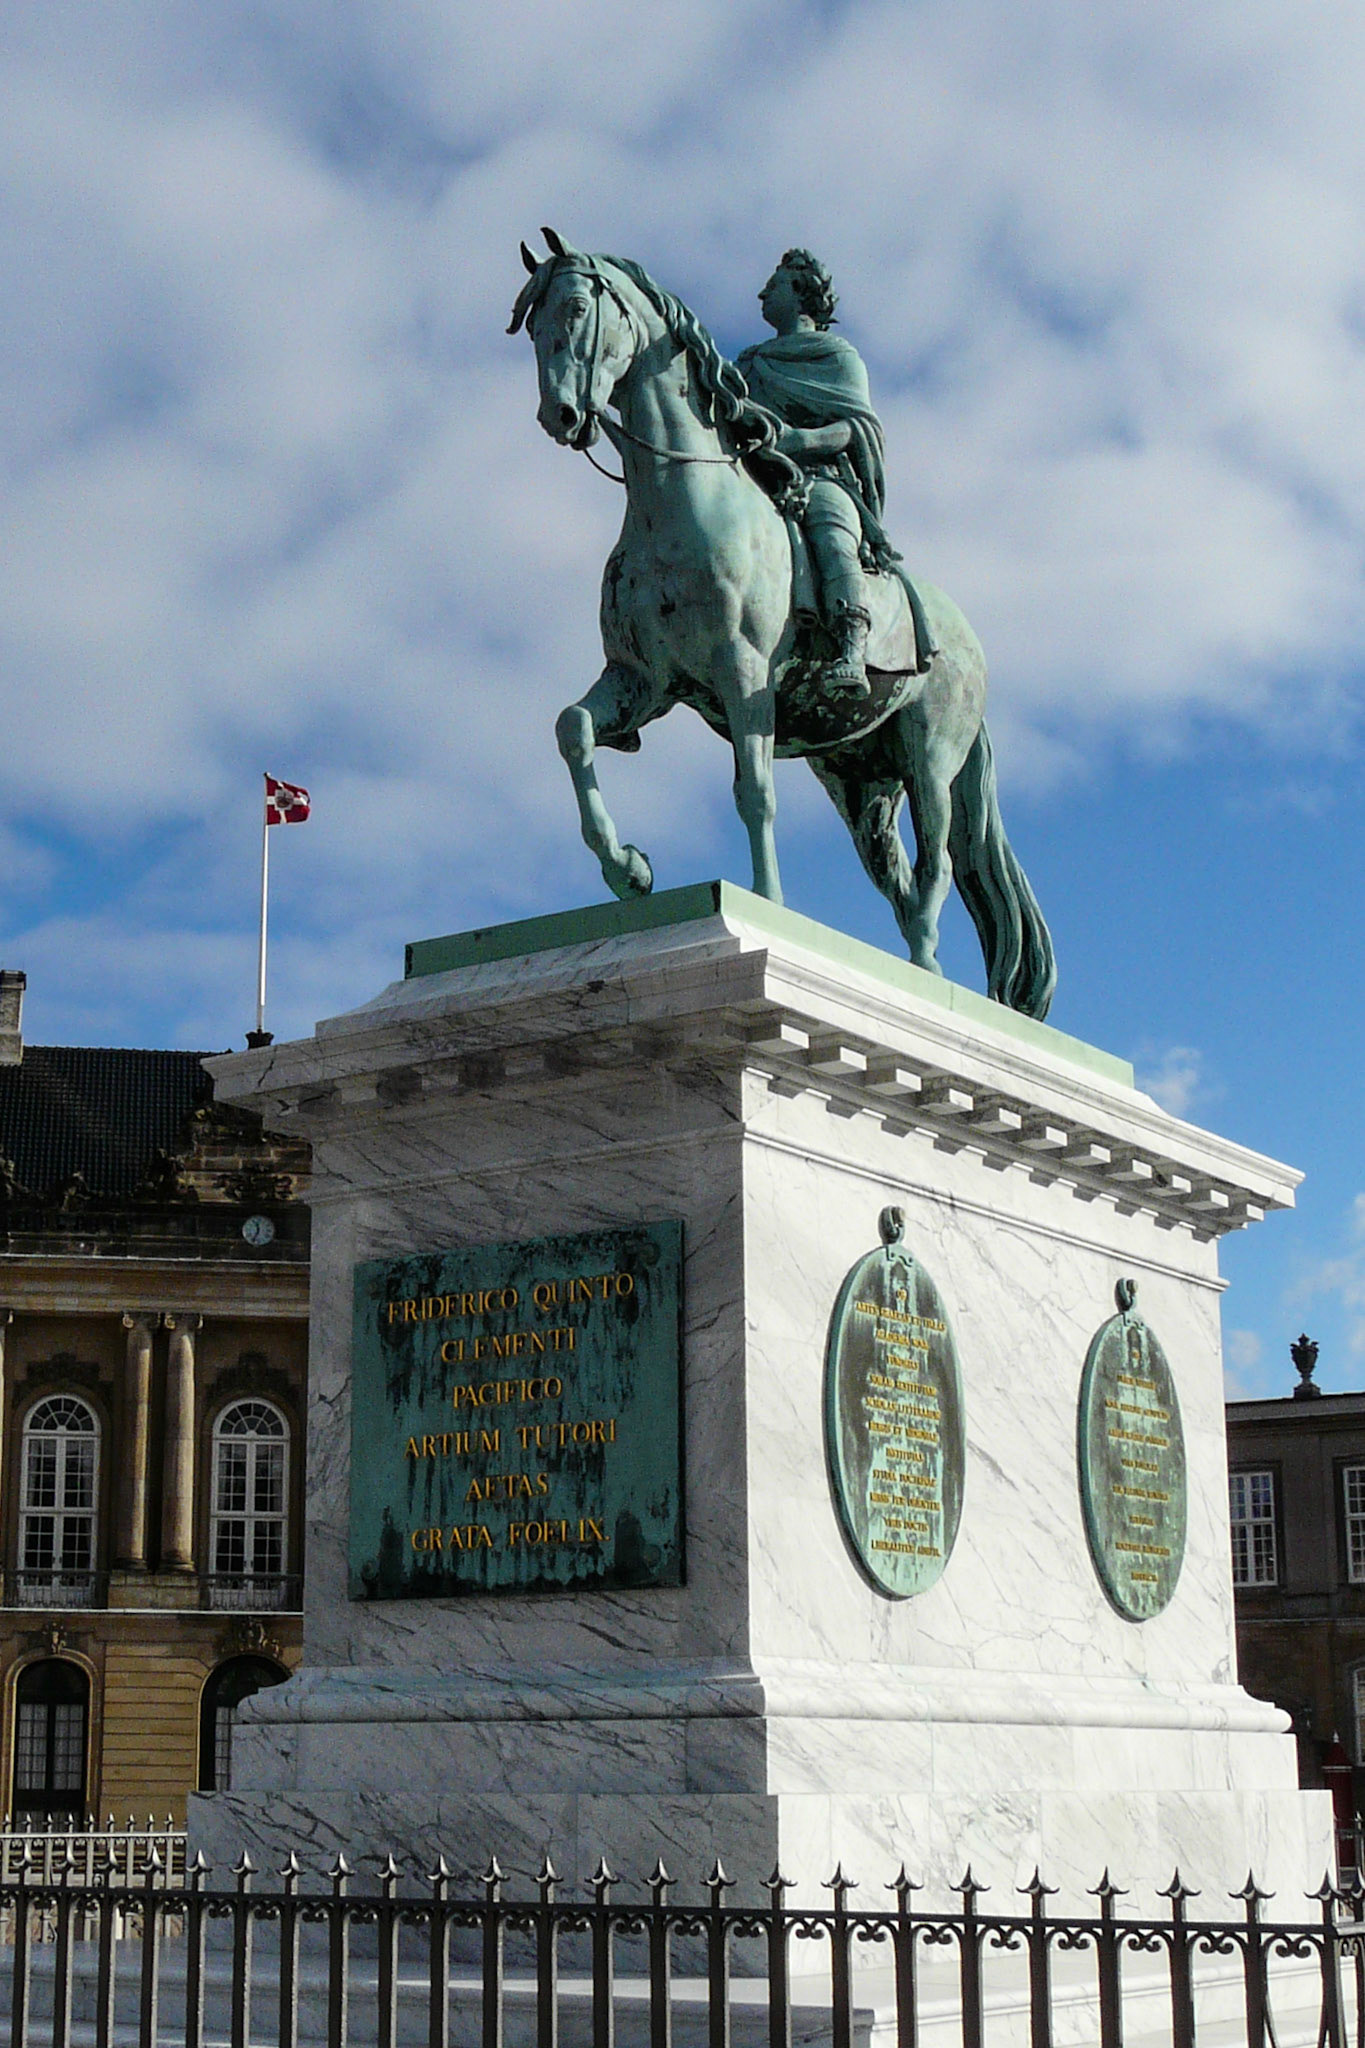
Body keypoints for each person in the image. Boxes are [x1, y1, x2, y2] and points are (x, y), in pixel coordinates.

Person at [736, 249, 934, 695]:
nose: (763, 293)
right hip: (754, 474)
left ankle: (850, 645)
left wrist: (802, 441)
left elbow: (858, 428)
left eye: (775, 285)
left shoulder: (837, 356)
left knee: (830, 526)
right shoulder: (747, 364)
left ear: (801, 293)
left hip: (820, 476)